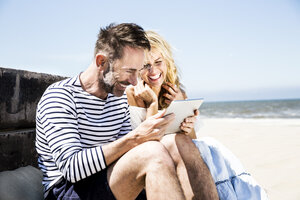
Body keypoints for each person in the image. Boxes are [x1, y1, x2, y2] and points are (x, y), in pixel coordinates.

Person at [35, 23, 219, 200]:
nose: (133, 81)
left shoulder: (118, 97)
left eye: (137, 72)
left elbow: (131, 154)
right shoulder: (60, 96)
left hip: (110, 179)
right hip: (69, 190)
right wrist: (134, 138)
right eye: (129, 71)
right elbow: (72, 169)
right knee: (152, 153)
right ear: (101, 62)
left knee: (177, 142)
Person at [126, 30, 269, 200]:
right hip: (155, 163)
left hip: (184, 158)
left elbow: (192, 141)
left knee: (207, 147)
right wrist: (152, 104)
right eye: (146, 66)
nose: (154, 71)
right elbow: (147, 148)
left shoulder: (176, 92)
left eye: (158, 62)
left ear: (167, 62)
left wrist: (187, 124)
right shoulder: (131, 94)